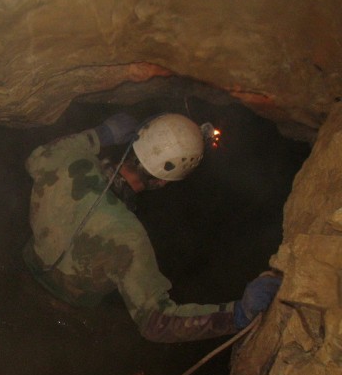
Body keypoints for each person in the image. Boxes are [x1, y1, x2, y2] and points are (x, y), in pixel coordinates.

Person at [22, 112, 282, 342]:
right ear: (162, 182)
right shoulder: (127, 235)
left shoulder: (65, 161)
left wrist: (101, 134)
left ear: (134, 140)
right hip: (72, 319)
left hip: (22, 280)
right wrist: (236, 315)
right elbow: (156, 323)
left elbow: (36, 158)